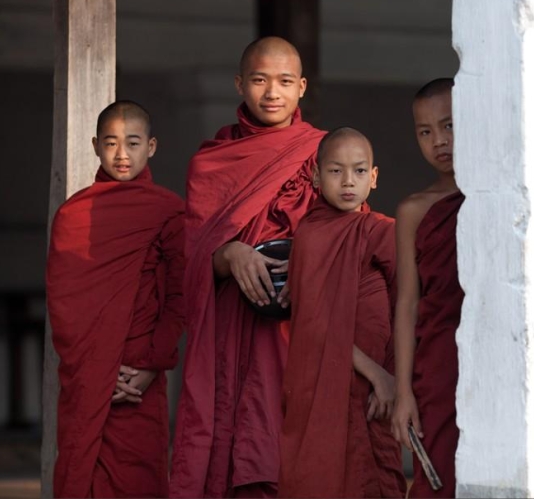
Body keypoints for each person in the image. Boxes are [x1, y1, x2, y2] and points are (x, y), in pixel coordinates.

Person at [170, 36, 326, 498]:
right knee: (236, 446)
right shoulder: (211, 162)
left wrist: (308, 261)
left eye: (284, 82)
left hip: (300, 332)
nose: (272, 92)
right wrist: (228, 254)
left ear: (302, 87)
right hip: (232, 333)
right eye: (259, 80)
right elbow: (190, 258)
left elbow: (353, 237)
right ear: (239, 84)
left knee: (294, 455)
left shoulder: (323, 154)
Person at [46, 100, 185, 498]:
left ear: (151, 147)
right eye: (110, 143)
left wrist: (152, 365)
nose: (122, 154)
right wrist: (98, 374)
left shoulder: (168, 211)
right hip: (90, 376)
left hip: (141, 374)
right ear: (95, 146)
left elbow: (180, 297)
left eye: (133, 143)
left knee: (138, 479)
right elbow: (64, 305)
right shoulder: (73, 215)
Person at [278, 127, 407, 498]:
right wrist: (377, 374)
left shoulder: (381, 231)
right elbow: (314, 324)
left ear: (374, 176)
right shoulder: (311, 234)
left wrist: (394, 378)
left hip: (378, 386)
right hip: (327, 387)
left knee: (376, 476)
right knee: (321, 475)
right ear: (316, 176)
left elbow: (406, 307)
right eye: (336, 171)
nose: (348, 181)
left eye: (359, 170)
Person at [391, 78, 464, 498]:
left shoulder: (501, 196)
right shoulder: (414, 210)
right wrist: (403, 392)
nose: (438, 141)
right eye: (425, 131)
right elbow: (406, 303)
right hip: (437, 366)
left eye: (449, 125)